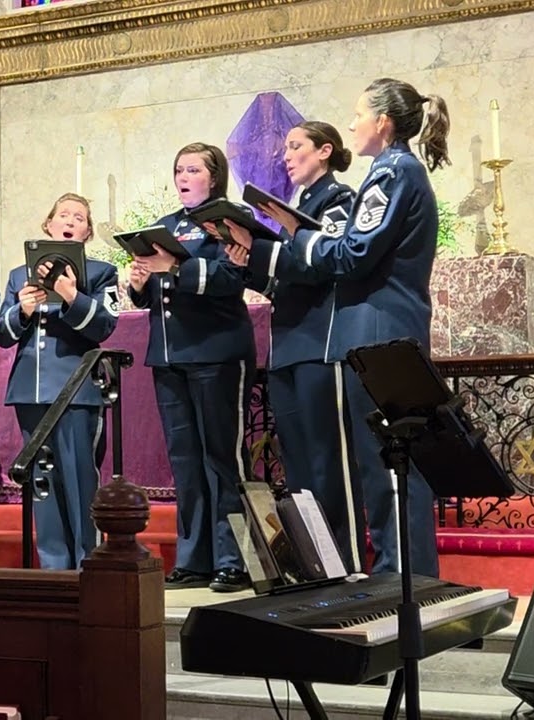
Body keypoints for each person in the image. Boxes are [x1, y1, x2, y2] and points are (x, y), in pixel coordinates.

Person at [223, 78, 451, 578]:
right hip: (377, 329)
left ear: (383, 122)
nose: (352, 124)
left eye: (358, 114)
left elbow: (353, 251)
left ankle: (404, 583)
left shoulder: (392, 172)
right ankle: (400, 580)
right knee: (384, 467)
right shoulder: (394, 171)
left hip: (379, 332)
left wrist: (269, 249)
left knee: (391, 469)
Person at [221, 121, 364, 574]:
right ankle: (314, 561)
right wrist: (248, 260)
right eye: (285, 147)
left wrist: (270, 247)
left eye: (296, 146)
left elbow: (325, 264)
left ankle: (345, 560)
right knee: (297, 464)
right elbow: (284, 282)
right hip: (288, 344)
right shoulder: (298, 208)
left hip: (322, 343)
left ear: (325, 151)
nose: (287, 155)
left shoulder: (339, 201)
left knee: (329, 463)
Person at [128, 142, 255, 593]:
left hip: (217, 351)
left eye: (193, 170)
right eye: (179, 169)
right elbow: (151, 297)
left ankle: (234, 558)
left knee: (222, 458)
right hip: (169, 354)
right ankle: (194, 557)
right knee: (184, 461)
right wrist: (140, 280)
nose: (183, 176)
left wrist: (175, 268)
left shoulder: (229, 220)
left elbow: (231, 279)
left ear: (213, 177)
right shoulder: (164, 226)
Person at [0, 193, 119, 569]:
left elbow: (104, 326)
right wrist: (22, 310)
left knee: (80, 480)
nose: (69, 221)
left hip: (77, 391)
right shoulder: (19, 275)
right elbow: (1, 333)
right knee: (42, 482)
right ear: (47, 225)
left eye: (78, 217)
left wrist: (70, 294)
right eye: (63, 214)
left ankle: (89, 562)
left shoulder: (99, 273)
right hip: (31, 391)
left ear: (87, 232)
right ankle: (53, 564)